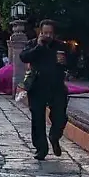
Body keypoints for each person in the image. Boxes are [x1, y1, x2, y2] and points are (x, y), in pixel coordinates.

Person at [20, 20, 69, 160]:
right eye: (45, 33)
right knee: (37, 118)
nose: (48, 36)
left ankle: (54, 136)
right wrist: (39, 46)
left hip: (56, 86)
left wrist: (66, 61)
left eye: (51, 33)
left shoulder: (61, 46)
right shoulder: (33, 44)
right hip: (37, 85)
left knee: (60, 116)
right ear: (40, 32)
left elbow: (73, 61)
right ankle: (41, 149)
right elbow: (23, 57)